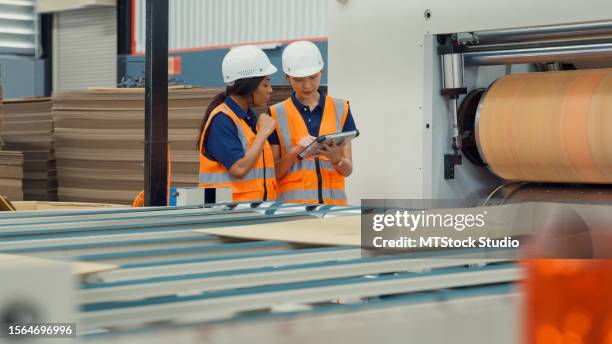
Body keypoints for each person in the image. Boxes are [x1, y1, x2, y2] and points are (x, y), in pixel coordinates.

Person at [269, 41, 357, 205]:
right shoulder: (275, 114)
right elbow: (273, 173)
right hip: (292, 211)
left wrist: (336, 158)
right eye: (299, 79)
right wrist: (297, 150)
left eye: (313, 77)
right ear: (287, 77)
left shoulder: (341, 109)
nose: (307, 85)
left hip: (333, 210)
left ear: (321, 72)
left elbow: (347, 170)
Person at [197, 45, 278, 202]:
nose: (270, 90)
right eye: (265, 84)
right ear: (249, 86)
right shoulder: (222, 120)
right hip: (228, 216)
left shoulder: (247, 118)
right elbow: (239, 169)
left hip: (251, 212)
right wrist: (263, 133)